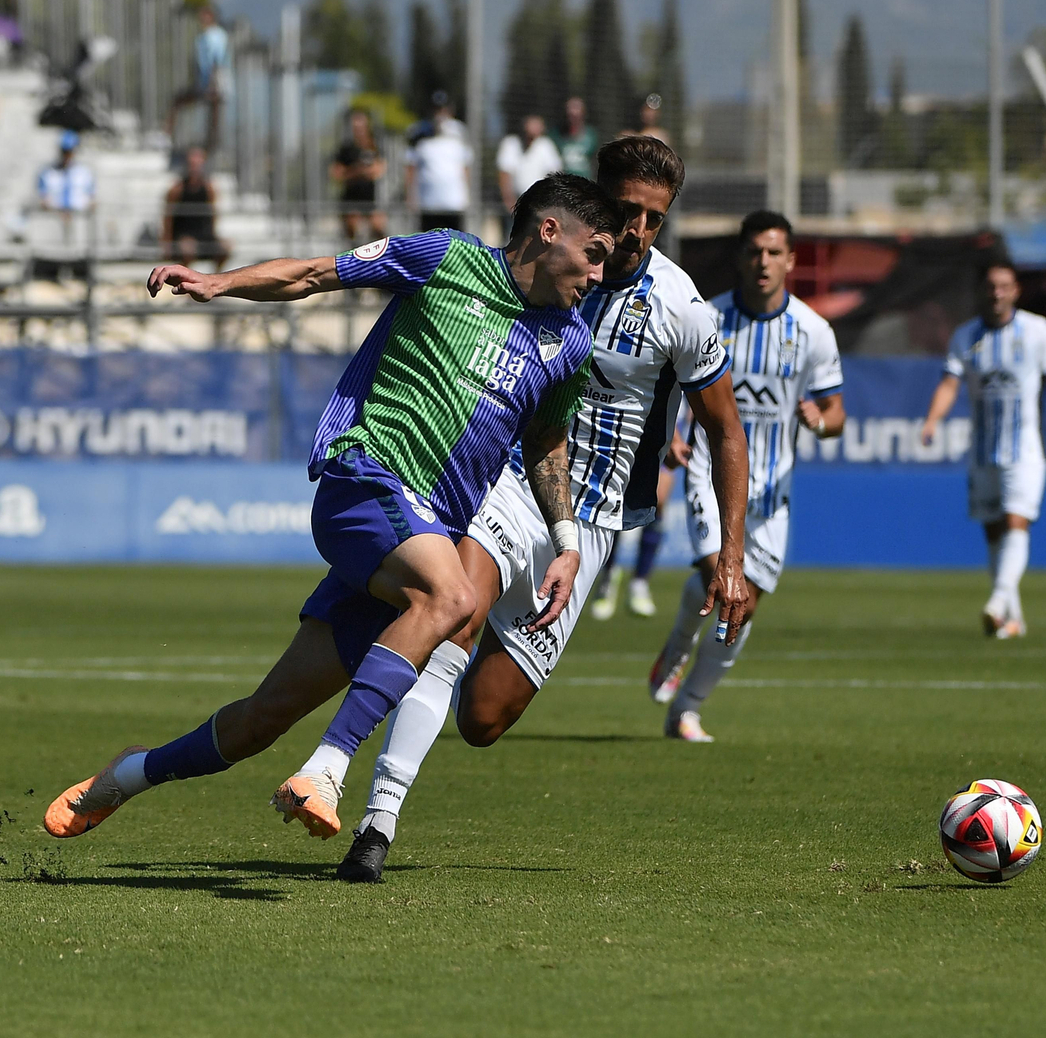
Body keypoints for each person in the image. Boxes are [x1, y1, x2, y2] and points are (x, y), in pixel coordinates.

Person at [43, 174, 624, 846]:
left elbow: (548, 442)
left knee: (261, 719)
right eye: (597, 252)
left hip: (421, 533)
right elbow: (317, 275)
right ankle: (328, 768)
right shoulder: (447, 258)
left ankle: (125, 777)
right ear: (549, 231)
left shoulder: (570, 343)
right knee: (455, 598)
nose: (600, 273)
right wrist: (219, 283)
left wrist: (567, 541)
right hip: (366, 479)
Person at [324, 136, 752, 883]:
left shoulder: (681, 307)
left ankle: (409, 681)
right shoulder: (538, 273)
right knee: (452, 614)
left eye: (654, 218)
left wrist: (731, 557)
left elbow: (725, 429)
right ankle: (374, 823)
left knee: (484, 718)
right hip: (511, 487)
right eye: (625, 211)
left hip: (591, 524)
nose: (637, 231)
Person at [648, 210, 846, 742]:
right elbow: (666, 384)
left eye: (774, 252)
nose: (763, 262)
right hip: (709, 473)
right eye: (755, 251)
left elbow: (837, 412)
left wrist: (821, 421)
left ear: (791, 260)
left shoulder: (812, 332)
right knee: (722, 581)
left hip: (772, 491)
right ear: (741, 257)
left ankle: (686, 705)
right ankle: (681, 665)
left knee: (745, 603)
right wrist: (668, 432)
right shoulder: (706, 318)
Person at [920, 257, 1046, 639]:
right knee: (993, 531)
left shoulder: (1037, 331)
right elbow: (949, 383)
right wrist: (932, 419)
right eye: (991, 286)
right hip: (983, 450)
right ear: (982, 291)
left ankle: (997, 599)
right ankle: (1013, 618)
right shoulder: (967, 337)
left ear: (1016, 291)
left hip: (1023, 450)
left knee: (1016, 520)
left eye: (1004, 286)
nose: (997, 293)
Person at [587, 425, 688, 619]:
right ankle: (608, 577)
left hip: (671, 424)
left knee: (659, 500)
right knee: (618, 500)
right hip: (636, 423)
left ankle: (640, 582)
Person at [165, 6, 229, 156]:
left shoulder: (215, 35)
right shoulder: (206, 36)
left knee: (213, 109)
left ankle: (212, 144)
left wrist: (213, 81)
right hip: (205, 80)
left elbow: (216, 58)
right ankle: (210, 143)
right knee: (207, 109)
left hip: (213, 79)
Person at [405, 92, 473, 233]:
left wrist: (467, 195)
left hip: (454, 203)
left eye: (442, 109)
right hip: (429, 204)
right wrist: (411, 196)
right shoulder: (417, 133)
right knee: (429, 245)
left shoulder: (459, 132)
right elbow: (411, 167)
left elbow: (465, 166)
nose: (439, 114)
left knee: (455, 244)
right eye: (436, 109)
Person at [162, 146, 231, 269]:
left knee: (226, 247)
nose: (195, 168)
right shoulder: (177, 189)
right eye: (192, 164)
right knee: (187, 249)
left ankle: (216, 278)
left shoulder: (209, 188)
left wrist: (213, 235)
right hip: (184, 234)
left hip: (204, 234)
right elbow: (168, 218)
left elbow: (213, 213)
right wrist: (167, 242)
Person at [496, 113, 562, 230]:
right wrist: (509, 202)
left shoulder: (545, 146)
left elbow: (554, 175)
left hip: (538, 204)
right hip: (515, 202)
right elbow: (504, 175)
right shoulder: (511, 144)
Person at [331, 108, 387, 242]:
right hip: (351, 200)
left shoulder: (375, 147)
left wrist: (355, 171)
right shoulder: (345, 149)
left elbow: (377, 171)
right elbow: (337, 174)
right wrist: (358, 171)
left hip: (371, 199)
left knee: (379, 230)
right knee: (352, 233)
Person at [36, 131, 95, 215]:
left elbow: (92, 198)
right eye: (64, 151)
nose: (67, 155)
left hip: (79, 218)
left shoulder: (85, 173)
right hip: (53, 217)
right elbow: (41, 198)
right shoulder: (47, 173)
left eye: (70, 151)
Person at [556, 96, 597, 178]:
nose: (573, 117)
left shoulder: (591, 136)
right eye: (570, 115)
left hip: (585, 181)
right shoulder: (557, 135)